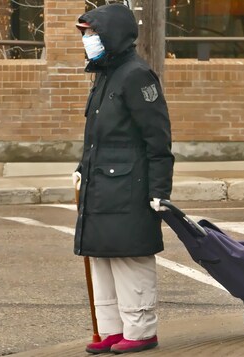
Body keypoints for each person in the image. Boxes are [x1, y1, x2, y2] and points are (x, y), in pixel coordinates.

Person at [71, 3, 174, 355]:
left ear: (110, 33)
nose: (87, 40)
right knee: (103, 259)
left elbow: (157, 140)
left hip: (131, 189)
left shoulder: (136, 75)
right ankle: (112, 330)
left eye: (91, 33)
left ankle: (141, 330)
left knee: (130, 259)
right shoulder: (103, 74)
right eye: (85, 34)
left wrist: (159, 191)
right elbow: (98, 137)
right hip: (100, 187)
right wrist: (82, 170)